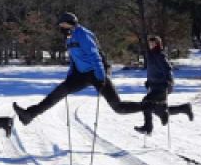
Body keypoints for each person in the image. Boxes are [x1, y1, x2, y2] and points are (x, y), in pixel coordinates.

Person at [13, 12, 146, 125]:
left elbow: (95, 56)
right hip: (80, 74)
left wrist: (101, 76)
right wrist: (71, 74)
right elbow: (74, 59)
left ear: (69, 23)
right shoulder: (69, 37)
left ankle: (148, 106)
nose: (60, 28)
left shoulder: (83, 35)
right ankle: (29, 115)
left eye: (62, 25)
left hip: (96, 72)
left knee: (117, 107)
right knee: (58, 92)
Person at [134, 35, 193, 135]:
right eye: (150, 43)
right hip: (154, 86)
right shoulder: (150, 55)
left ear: (157, 44)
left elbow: (167, 68)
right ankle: (184, 108)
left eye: (153, 43)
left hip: (162, 85)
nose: (151, 45)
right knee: (157, 108)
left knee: (146, 103)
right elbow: (152, 71)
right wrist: (149, 81)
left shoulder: (159, 55)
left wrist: (169, 81)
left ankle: (148, 127)